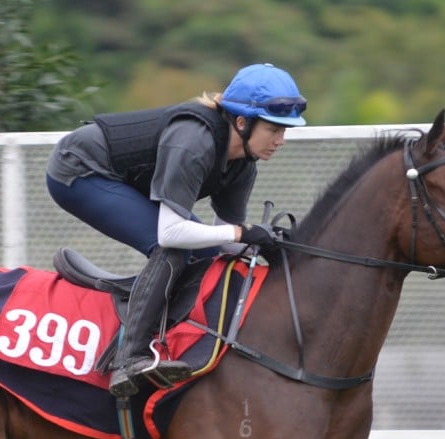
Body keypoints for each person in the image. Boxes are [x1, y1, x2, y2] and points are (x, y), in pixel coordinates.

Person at [46, 63, 307, 397]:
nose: (281, 140)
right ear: (242, 122)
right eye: (275, 129)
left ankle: (161, 326)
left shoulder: (243, 162)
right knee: (172, 248)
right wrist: (243, 234)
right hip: (80, 171)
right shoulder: (193, 142)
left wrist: (266, 246)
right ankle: (131, 358)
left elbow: (224, 238)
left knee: (206, 251)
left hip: (123, 177)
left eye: (285, 131)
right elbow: (173, 235)